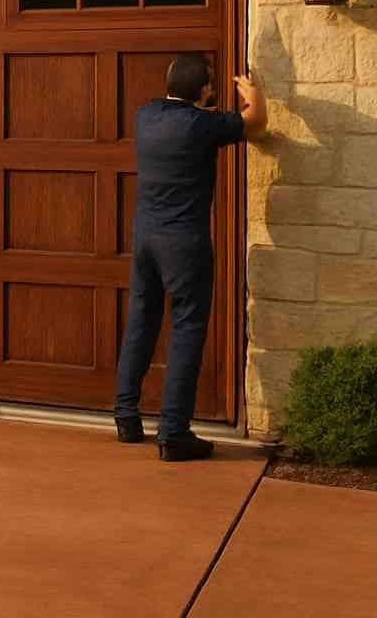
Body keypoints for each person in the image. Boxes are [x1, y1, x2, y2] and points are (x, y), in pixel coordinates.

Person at [114, 55, 266, 461]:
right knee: (186, 328)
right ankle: (174, 433)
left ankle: (126, 417)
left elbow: (184, 115)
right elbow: (256, 122)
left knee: (141, 322)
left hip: (145, 238)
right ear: (204, 91)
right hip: (184, 244)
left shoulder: (146, 116)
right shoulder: (202, 126)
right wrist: (252, 92)